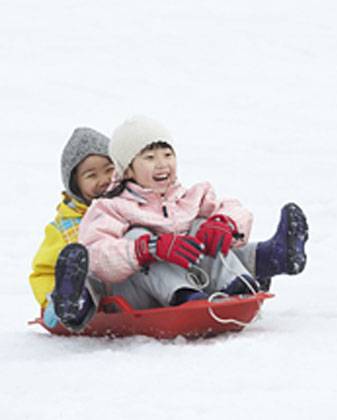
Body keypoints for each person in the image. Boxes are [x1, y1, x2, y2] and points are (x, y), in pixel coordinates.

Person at [73, 116, 309, 312]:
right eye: (149, 158)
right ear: (127, 170)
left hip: (196, 278)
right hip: (137, 293)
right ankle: (185, 295)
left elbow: (236, 209)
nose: (162, 164)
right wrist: (145, 249)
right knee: (138, 235)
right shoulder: (110, 207)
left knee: (200, 226)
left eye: (167, 154)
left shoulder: (189, 197)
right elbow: (94, 254)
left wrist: (224, 223)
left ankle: (238, 283)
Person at [28, 127, 114, 332]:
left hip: (130, 286)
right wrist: (49, 301)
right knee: (86, 275)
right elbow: (43, 272)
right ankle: (71, 304)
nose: (104, 180)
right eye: (91, 175)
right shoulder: (66, 227)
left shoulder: (133, 206)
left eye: (110, 169)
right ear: (75, 186)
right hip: (96, 295)